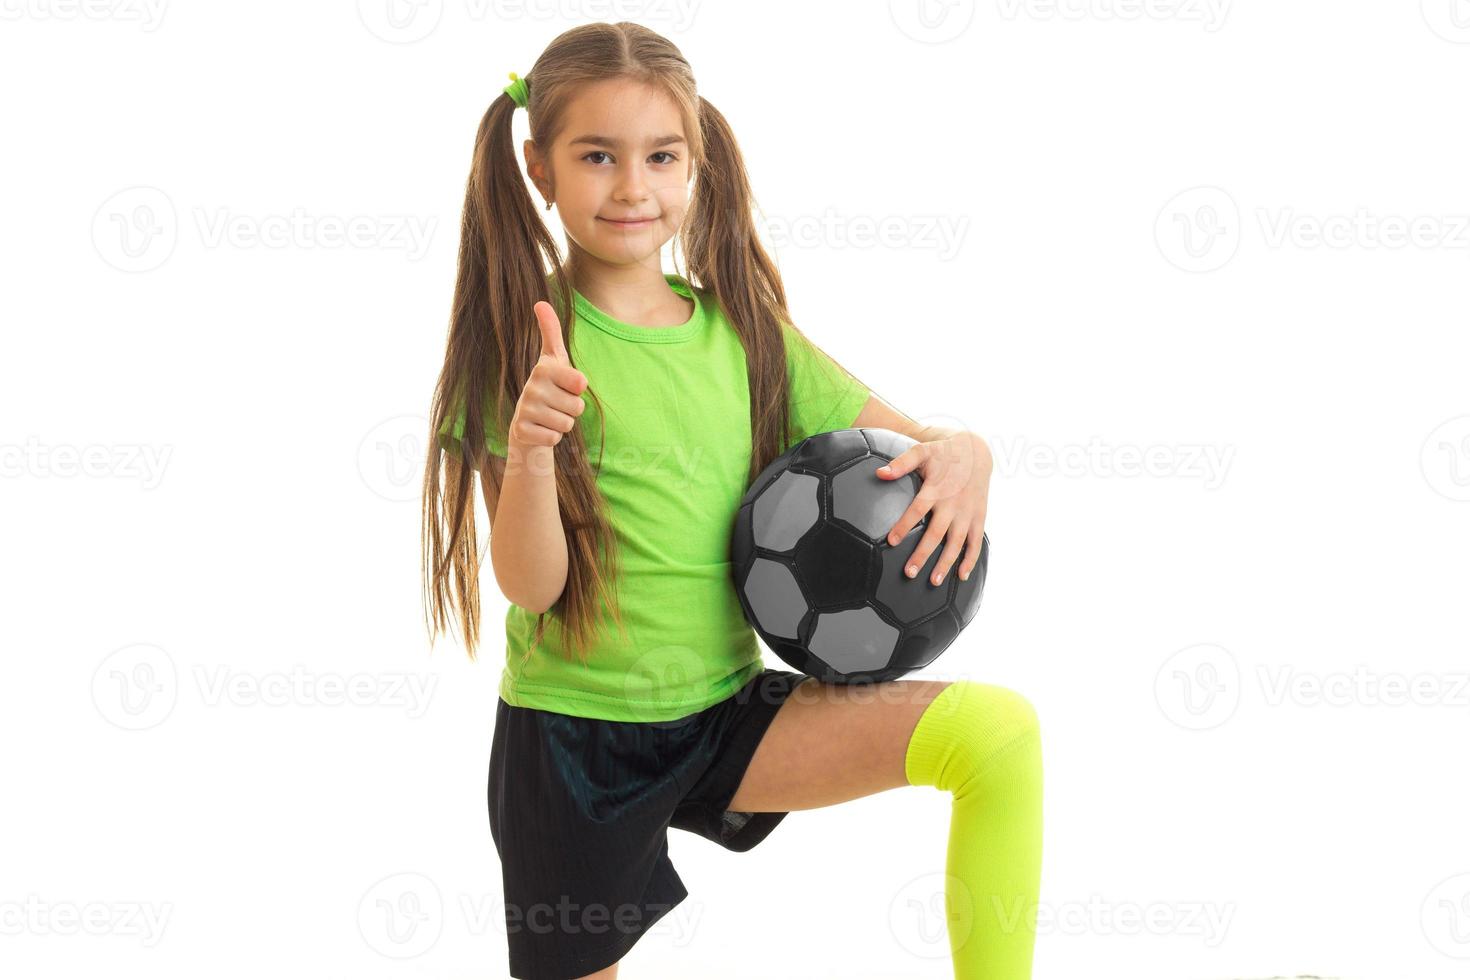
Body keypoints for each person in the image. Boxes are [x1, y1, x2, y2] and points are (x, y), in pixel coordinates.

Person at [421, 21, 1042, 980]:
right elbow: (533, 586)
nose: (634, 187)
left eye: (660, 156)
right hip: (573, 744)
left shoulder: (749, 336)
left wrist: (974, 454)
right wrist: (536, 453)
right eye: (598, 156)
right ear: (540, 167)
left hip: (727, 715)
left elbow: (927, 447)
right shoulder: (518, 347)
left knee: (996, 732)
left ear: (695, 160)